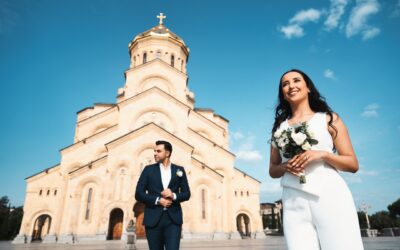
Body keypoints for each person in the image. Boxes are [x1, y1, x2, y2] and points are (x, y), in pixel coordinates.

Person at [269, 69, 364, 250]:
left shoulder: (329, 119)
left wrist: (322, 154)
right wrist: (285, 166)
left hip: (328, 194)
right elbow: (272, 170)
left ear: (308, 88)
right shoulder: (279, 129)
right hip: (292, 198)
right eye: (285, 84)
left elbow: (353, 164)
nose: (291, 86)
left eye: (296, 80)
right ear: (282, 93)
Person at [135, 140, 190, 250]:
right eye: (154, 151)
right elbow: (138, 194)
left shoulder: (179, 170)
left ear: (167, 153)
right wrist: (158, 200)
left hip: (173, 220)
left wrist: (173, 195)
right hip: (153, 219)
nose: (155, 153)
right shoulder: (148, 170)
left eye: (158, 151)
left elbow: (187, 194)